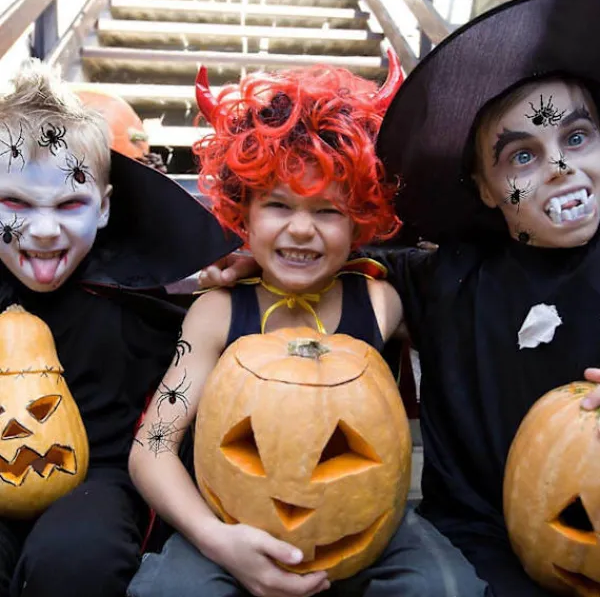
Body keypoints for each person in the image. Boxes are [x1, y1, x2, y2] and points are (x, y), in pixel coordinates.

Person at [201, 0, 600, 595]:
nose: (561, 166)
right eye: (523, 155)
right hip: (478, 540)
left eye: (578, 137)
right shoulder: (443, 277)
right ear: (485, 188)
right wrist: (256, 258)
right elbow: (338, 254)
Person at [126, 61, 489, 597]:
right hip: (228, 526)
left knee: (446, 588)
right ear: (244, 212)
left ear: (359, 219)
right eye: (278, 204)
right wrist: (214, 538)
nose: (301, 228)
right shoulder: (218, 313)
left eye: (327, 211)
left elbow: (487, 319)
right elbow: (152, 448)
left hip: (362, 527)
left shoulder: (381, 302)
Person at [0, 59, 239, 597]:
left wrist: (243, 276)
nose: (44, 229)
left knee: (77, 561)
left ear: (104, 209)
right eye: (15, 202)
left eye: (70, 204)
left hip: (102, 478)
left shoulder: (133, 290)